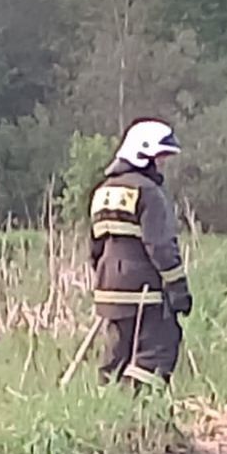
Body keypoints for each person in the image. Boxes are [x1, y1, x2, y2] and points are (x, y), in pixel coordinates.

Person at [89, 119, 193, 390]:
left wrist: (106, 281)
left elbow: (95, 248)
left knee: (116, 357)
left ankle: (107, 405)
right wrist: (178, 287)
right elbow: (160, 246)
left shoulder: (102, 192)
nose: (162, 165)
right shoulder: (148, 192)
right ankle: (141, 405)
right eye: (160, 158)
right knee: (159, 349)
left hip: (108, 291)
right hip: (143, 292)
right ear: (143, 154)